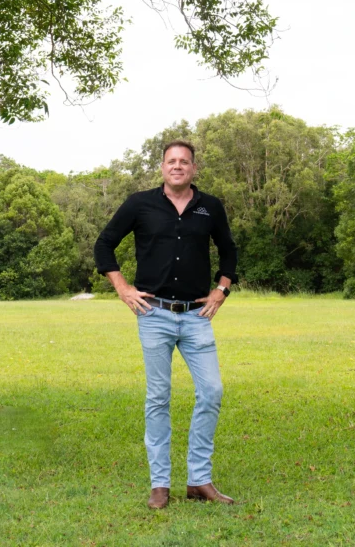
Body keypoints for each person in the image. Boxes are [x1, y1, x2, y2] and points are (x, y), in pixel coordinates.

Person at [94, 140, 238, 510]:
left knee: (212, 392)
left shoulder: (210, 207)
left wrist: (222, 289)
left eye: (184, 162)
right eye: (171, 161)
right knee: (158, 398)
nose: (177, 166)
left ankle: (198, 481)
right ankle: (160, 485)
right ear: (162, 167)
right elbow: (105, 244)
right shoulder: (139, 204)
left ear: (193, 168)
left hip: (196, 316)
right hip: (153, 314)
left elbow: (229, 251)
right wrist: (123, 288)